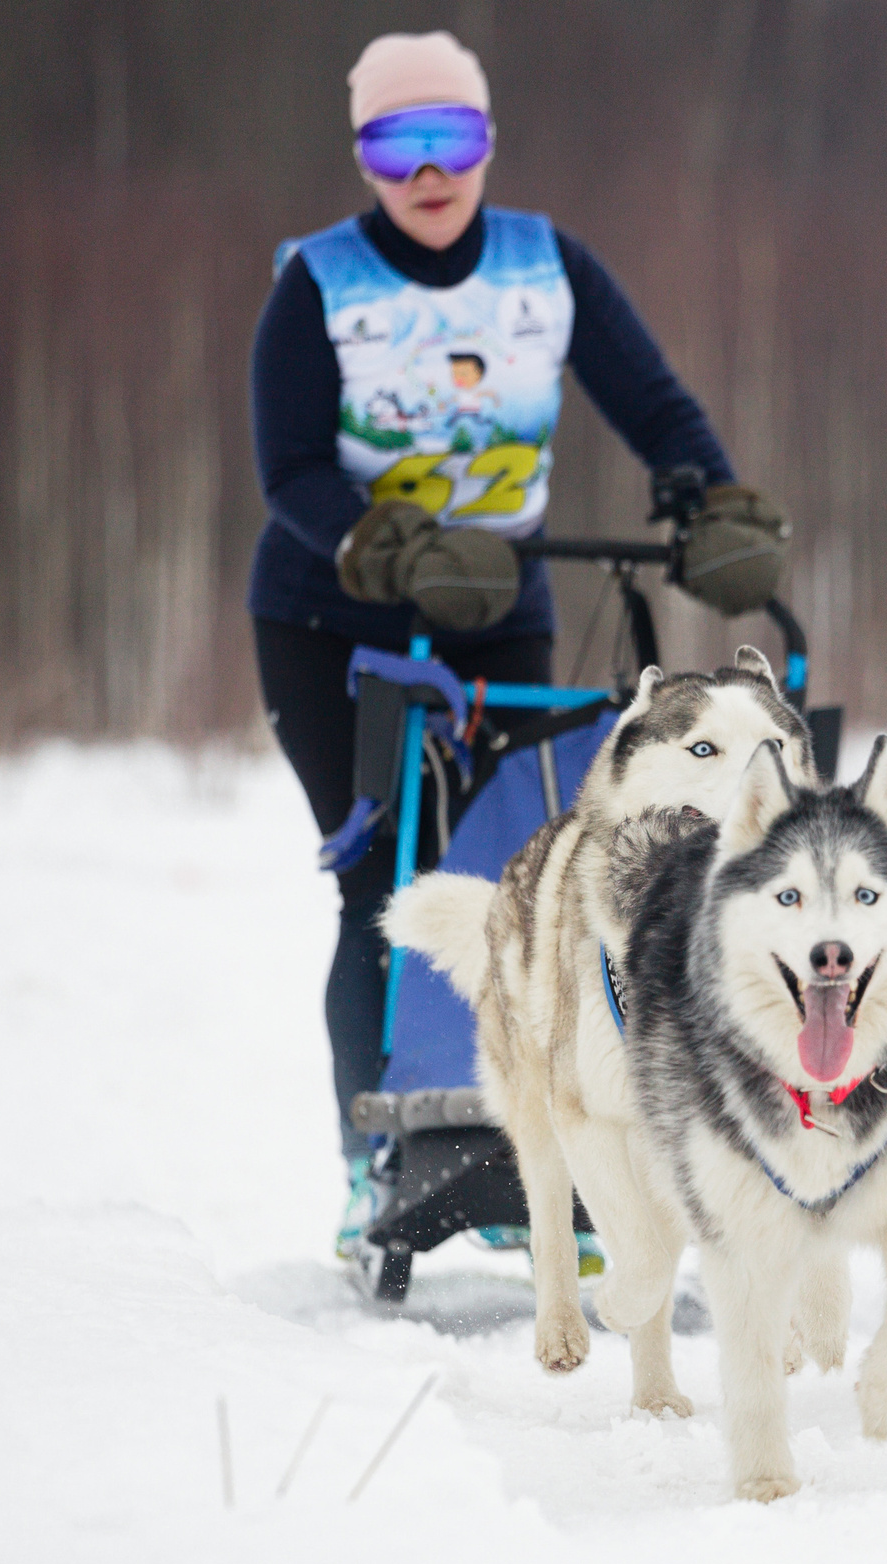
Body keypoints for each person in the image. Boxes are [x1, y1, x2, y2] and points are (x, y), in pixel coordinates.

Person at [249, 31, 781, 1257]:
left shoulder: (550, 268)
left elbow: (652, 404)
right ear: (364, 157)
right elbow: (287, 469)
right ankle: (374, 1153)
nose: (429, 173)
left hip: (503, 607)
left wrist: (707, 497)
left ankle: (536, 1148)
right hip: (332, 623)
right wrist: (378, 546)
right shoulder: (318, 283)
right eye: (398, 143)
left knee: (530, 880)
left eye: (455, 140)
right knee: (384, 887)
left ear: (489, 144)